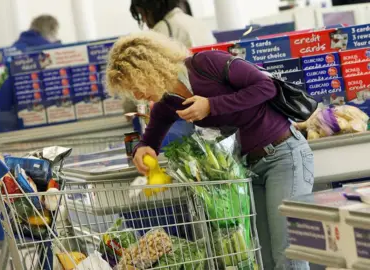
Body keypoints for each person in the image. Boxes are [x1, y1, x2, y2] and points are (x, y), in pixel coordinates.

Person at [105, 31, 314, 270]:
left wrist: (211, 105)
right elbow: (149, 140)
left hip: (284, 155)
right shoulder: (168, 103)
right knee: (263, 258)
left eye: (137, 85)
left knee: (288, 255)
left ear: (151, 68)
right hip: (249, 170)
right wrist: (142, 150)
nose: (137, 95)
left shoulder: (207, 64)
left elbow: (266, 86)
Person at [124, 0, 215, 118]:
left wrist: (130, 107)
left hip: (187, 107)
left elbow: (144, 77)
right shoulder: (199, 24)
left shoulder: (162, 29)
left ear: (149, 8)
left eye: (142, 15)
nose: (145, 22)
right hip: (212, 101)